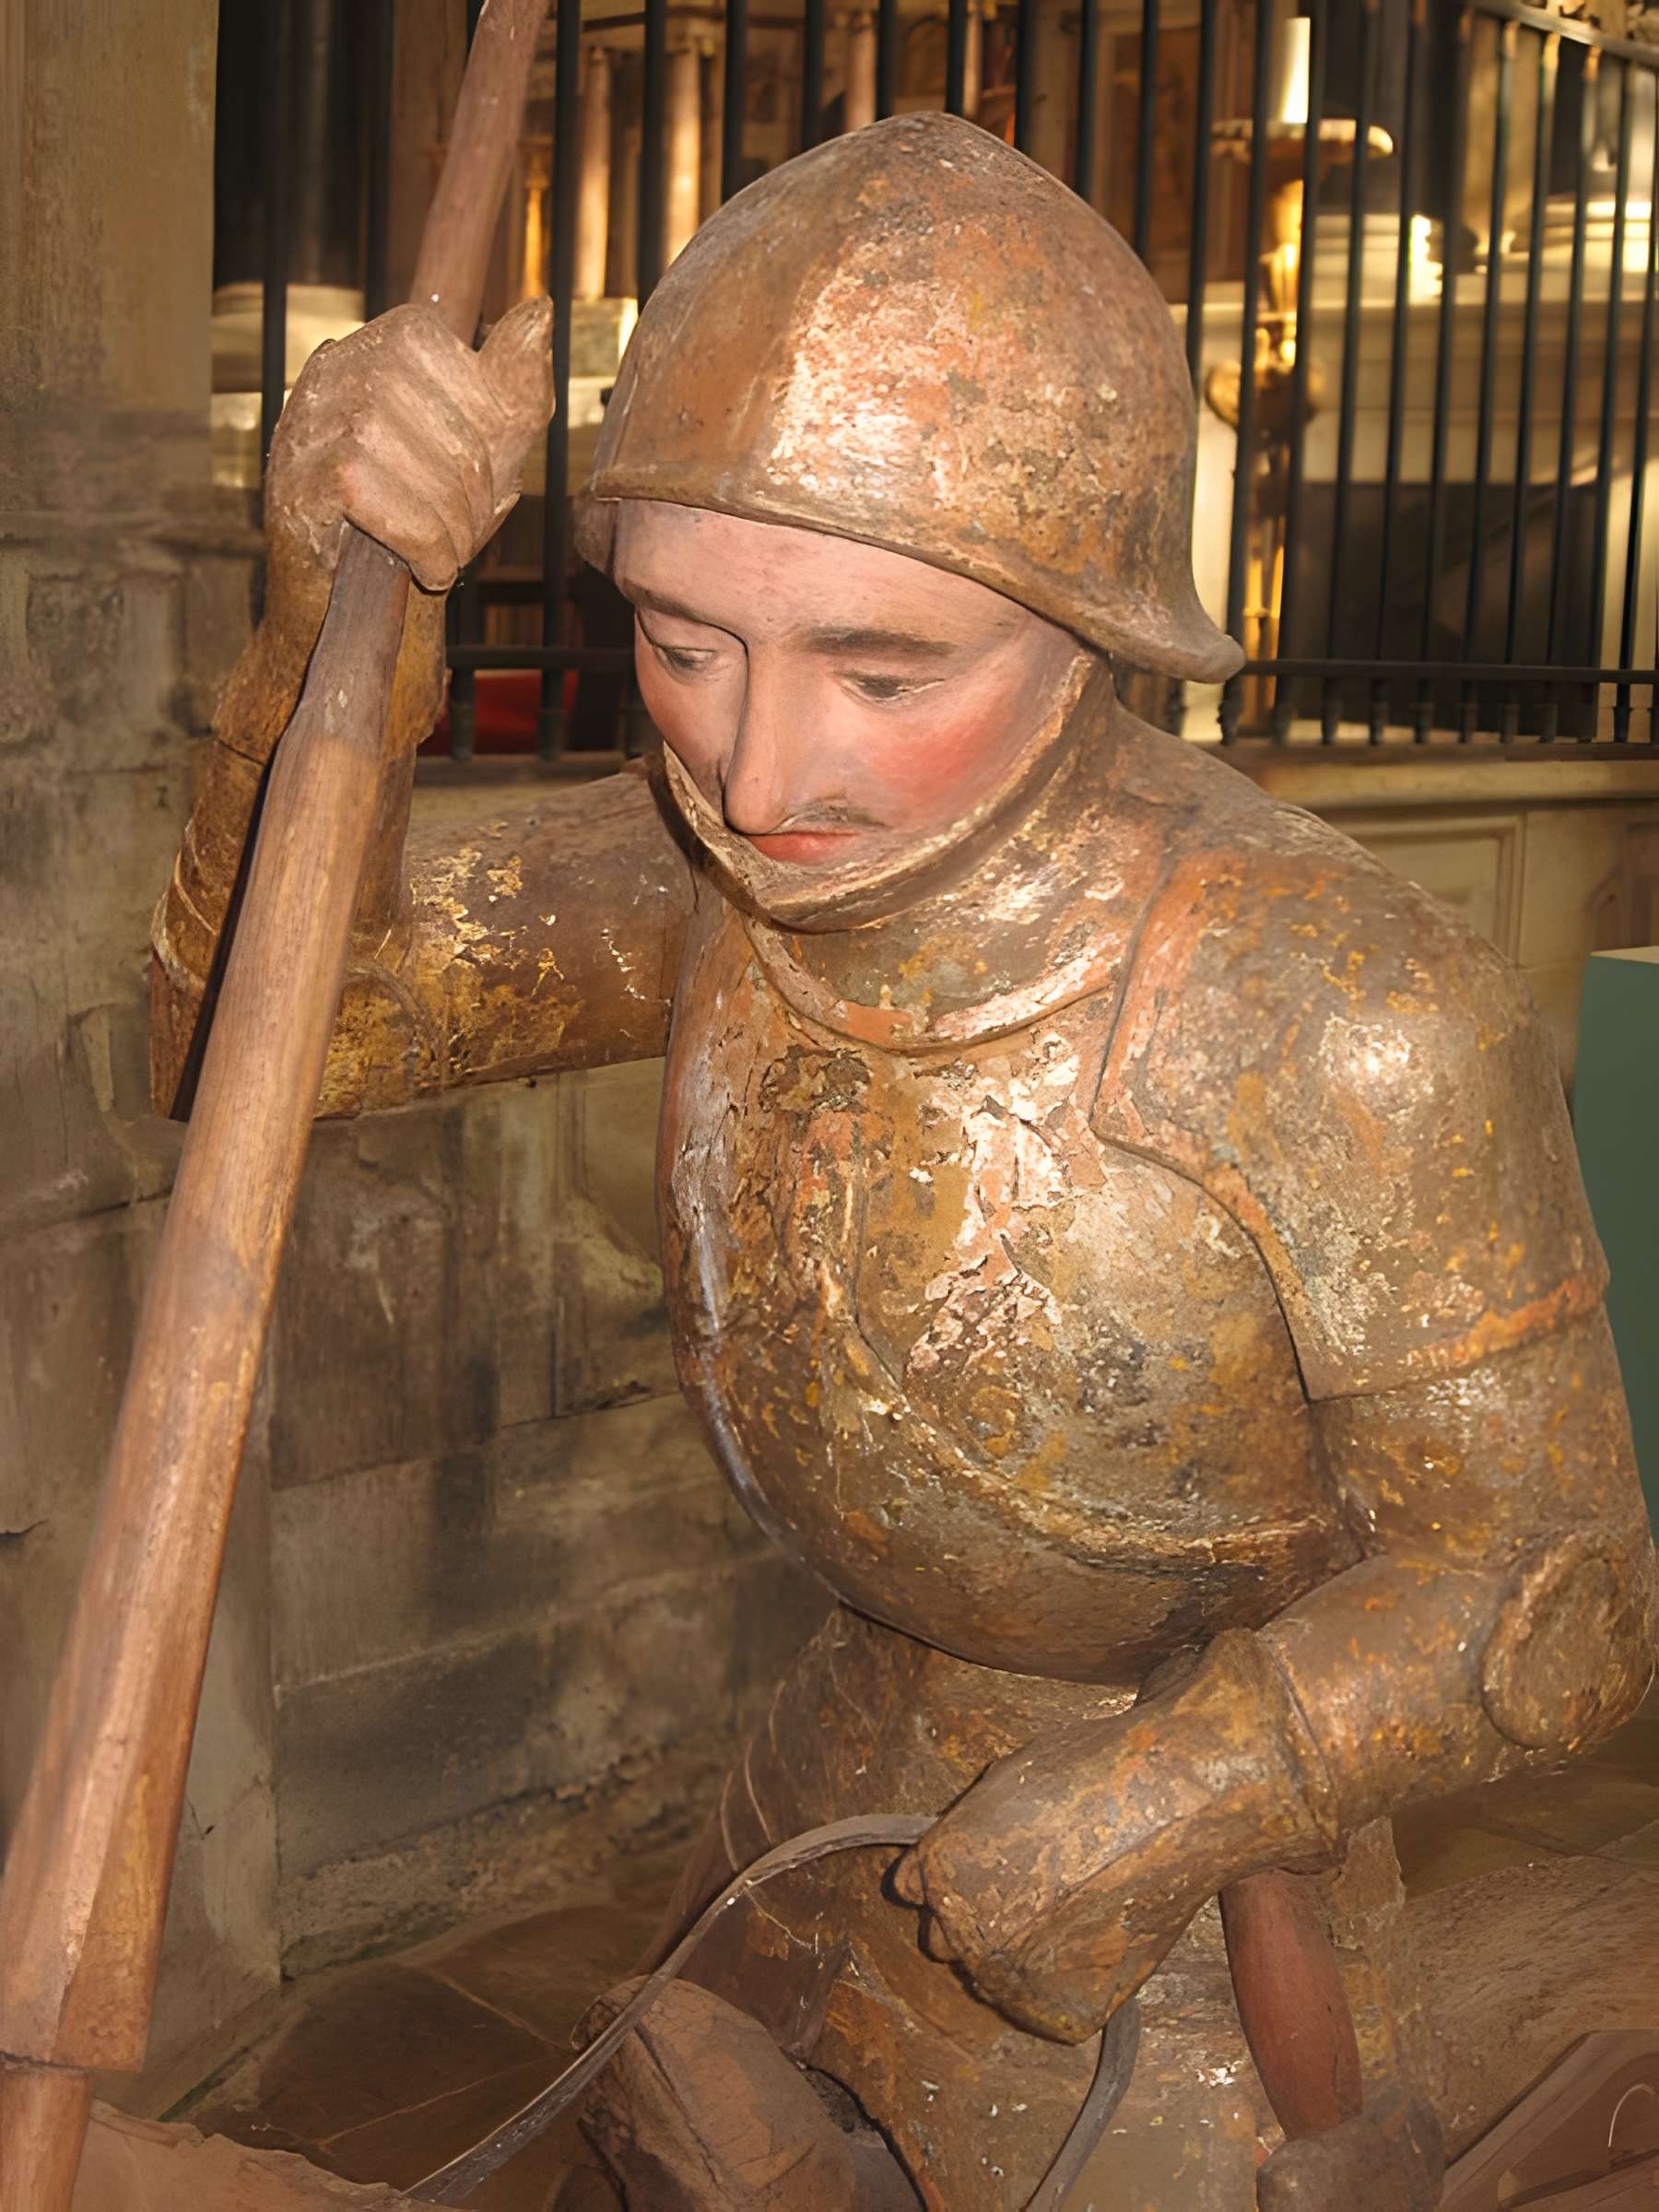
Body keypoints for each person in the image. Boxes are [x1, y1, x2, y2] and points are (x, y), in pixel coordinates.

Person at [153, 116, 1655, 2212]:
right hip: (810, 1802)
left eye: (883, 669)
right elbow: (254, 1041)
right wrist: (338, 616)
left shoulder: (1330, 1008)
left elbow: (1557, 1593)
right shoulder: (711, 871)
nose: (765, 775)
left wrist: (1167, 1797)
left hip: (1203, 1912)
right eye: (685, 648)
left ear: (1087, 622)